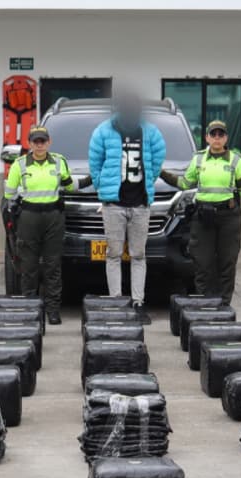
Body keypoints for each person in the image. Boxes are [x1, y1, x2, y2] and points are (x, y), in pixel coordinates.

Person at [88, 92, 166, 323]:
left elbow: (158, 158)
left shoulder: (150, 131)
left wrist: (148, 182)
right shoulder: (103, 131)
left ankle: (138, 302)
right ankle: (116, 301)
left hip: (141, 204)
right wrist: (101, 186)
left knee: (139, 255)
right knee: (113, 255)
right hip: (114, 204)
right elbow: (95, 161)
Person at [161, 120, 241, 305]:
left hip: (228, 218)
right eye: (213, 134)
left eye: (221, 135)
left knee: (227, 262)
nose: (217, 138)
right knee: (202, 262)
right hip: (203, 217)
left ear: (226, 138)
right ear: (207, 138)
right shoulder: (199, 159)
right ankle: (204, 301)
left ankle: (224, 303)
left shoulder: (236, 160)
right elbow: (185, 184)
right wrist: (162, 174)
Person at [3, 126, 77, 325]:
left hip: (53, 217)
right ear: (29, 143)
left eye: (43, 141)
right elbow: (9, 194)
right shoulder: (20, 165)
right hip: (29, 217)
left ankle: (53, 310)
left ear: (49, 142)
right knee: (29, 266)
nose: (39, 145)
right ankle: (30, 309)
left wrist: (88, 180)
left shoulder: (59, 161)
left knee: (53, 266)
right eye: (35, 141)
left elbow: (69, 185)